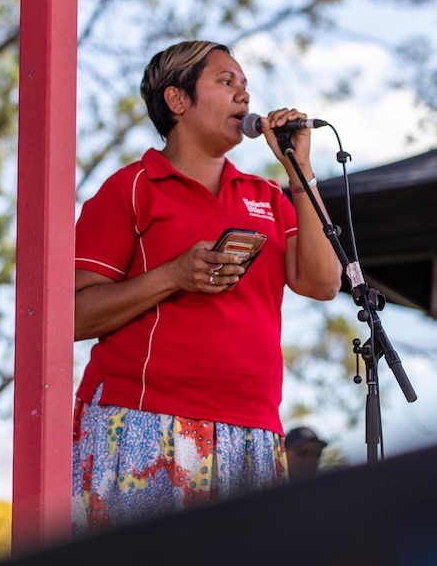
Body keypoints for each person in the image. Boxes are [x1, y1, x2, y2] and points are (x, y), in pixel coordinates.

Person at [70, 40, 342, 535]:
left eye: (244, 84)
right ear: (177, 100)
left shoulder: (267, 195)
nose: (244, 95)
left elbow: (324, 283)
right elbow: (70, 317)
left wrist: (299, 175)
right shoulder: (130, 188)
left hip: (254, 432)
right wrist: (173, 275)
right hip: (143, 422)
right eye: (225, 81)